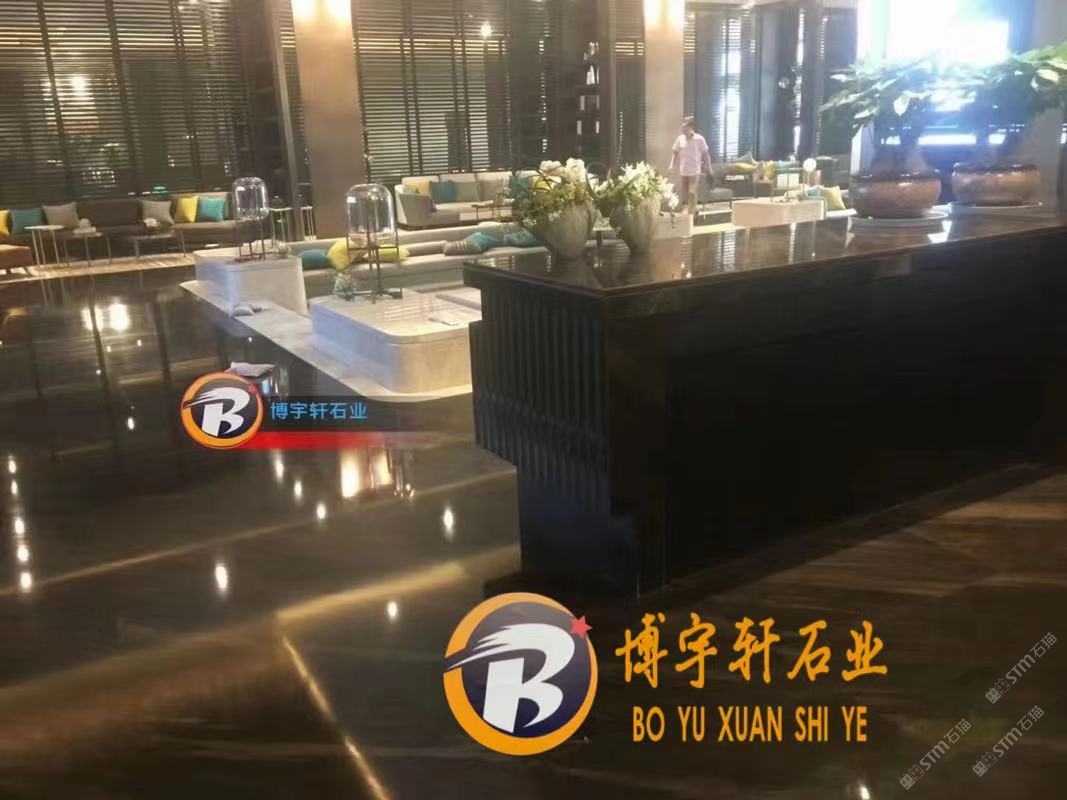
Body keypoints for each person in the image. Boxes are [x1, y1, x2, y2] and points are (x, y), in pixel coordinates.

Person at [668, 116, 712, 217]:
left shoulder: (699, 139)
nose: (683, 129)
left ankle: (690, 216)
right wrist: (671, 165)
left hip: (695, 171)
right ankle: (694, 209)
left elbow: (705, 154)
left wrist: (708, 167)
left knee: (692, 192)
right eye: (682, 127)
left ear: (690, 127)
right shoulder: (680, 139)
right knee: (686, 194)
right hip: (684, 171)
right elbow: (675, 152)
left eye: (685, 127)